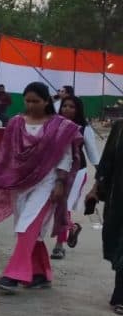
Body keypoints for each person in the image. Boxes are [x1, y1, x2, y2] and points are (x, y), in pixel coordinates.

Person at [0, 82, 83, 293]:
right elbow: (6, 155)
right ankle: (40, 274)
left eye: (36, 101)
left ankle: (13, 275)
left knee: (27, 226)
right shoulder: (16, 123)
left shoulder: (60, 126)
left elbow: (66, 157)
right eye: (28, 101)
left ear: (46, 101)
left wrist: (60, 184)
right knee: (28, 230)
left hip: (48, 183)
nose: (31, 105)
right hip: (21, 184)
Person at [52, 96, 99, 259]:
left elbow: (93, 154)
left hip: (77, 172)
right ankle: (71, 228)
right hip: (54, 171)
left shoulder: (84, 128)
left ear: (78, 110)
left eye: (72, 107)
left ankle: (59, 245)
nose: (67, 109)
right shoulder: (53, 125)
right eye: (65, 106)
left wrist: (100, 178)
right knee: (52, 206)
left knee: (63, 207)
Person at [86, 119, 123, 314]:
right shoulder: (119, 127)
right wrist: (96, 189)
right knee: (115, 243)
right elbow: (107, 161)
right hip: (118, 200)